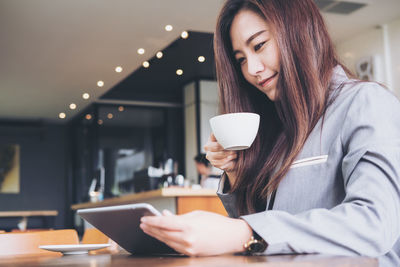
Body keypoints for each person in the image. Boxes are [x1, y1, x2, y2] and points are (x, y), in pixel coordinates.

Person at [140, 0, 400, 265]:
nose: (252, 69)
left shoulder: (366, 102)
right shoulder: (278, 127)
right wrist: (236, 174)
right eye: (241, 59)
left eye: (259, 46)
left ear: (298, 31)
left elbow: (375, 223)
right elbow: (262, 239)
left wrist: (247, 232)